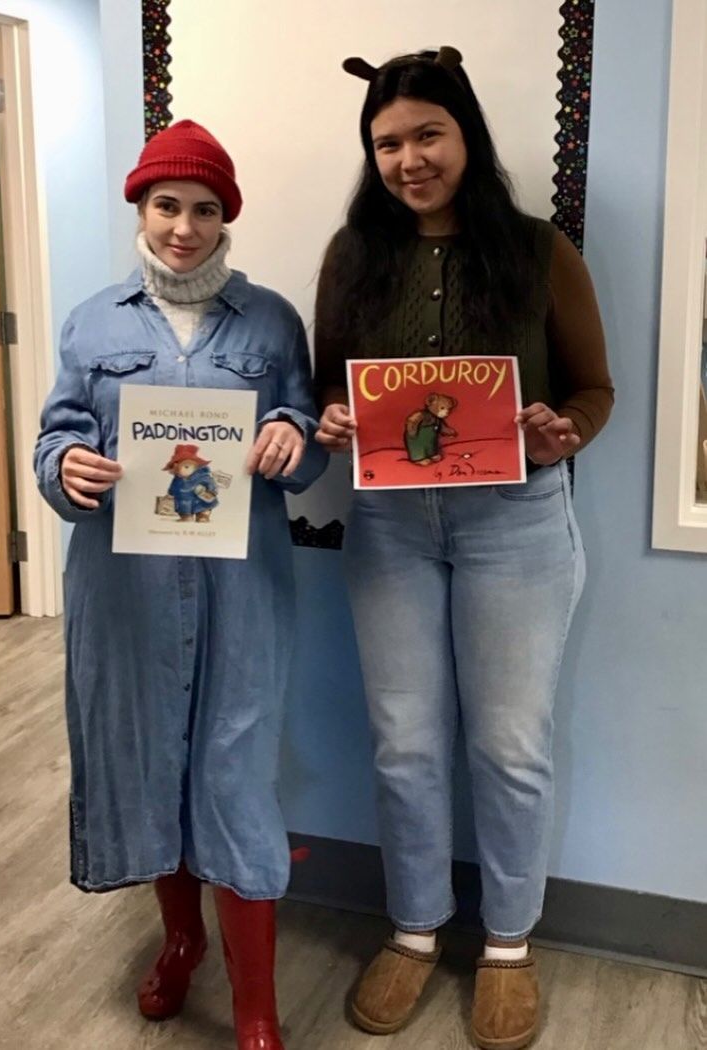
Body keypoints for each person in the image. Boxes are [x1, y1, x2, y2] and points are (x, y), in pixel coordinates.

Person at [314, 48, 613, 1050]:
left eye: (426, 134)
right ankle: (412, 930)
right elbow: (326, 388)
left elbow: (593, 390)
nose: (408, 158)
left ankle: (509, 948)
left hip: (516, 525)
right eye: (387, 141)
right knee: (404, 744)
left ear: (467, 137)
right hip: (392, 529)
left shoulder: (538, 252)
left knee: (510, 746)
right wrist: (332, 422)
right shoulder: (353, 258)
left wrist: (562, 430)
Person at [34, 119, 328, 1050]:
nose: (184, 228)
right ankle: (180, 943)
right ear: (142, 208)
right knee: (150, 763)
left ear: (226, 220)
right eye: (167, 205)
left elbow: (306, 439)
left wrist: (291, 436)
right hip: (126, 591)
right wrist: (65, 467)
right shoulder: (91, 323)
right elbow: (57, 437)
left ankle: (255, 1002)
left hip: (243, 590)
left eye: (205, 210)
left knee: (236, 778)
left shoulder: (274, 320)